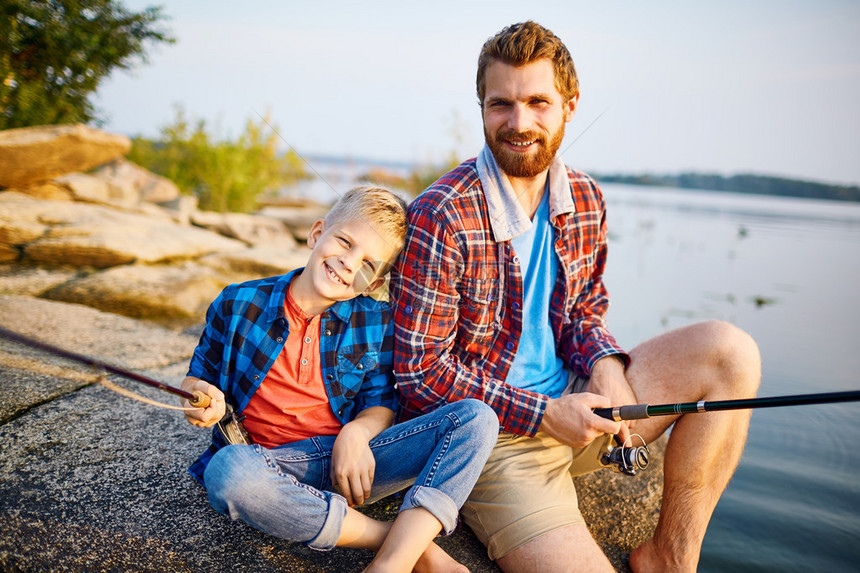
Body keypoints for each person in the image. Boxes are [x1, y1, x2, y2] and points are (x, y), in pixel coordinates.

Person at [389, 22, 761, 573]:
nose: (519, 123)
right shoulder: (440, 215)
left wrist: (607, 365)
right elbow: (418, 376)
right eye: (501, 104)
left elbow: (582, 310)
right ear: (482, 107)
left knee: (730, 352)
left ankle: (671, 556)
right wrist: (543, 414)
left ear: (569, 104)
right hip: (494, 441)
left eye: (538, 101)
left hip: (579, 400)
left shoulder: (584, 196)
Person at [180, 186, 499, 573]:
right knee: (227, 473)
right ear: (317, 234)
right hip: (269, 463)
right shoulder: (237, 302)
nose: (349, 263)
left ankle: (390, 564)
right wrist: (199, 398)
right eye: (344, 242)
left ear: (375, 283)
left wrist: (355, 434)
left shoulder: (376, 321)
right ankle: (400, 540)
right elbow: (196, 378)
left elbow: (381, 402)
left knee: (477, 418)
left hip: (350, 467)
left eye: (368, 264)